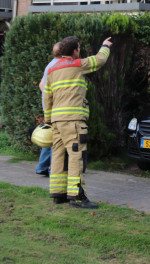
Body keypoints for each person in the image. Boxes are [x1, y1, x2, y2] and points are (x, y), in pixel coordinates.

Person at [44, 35, 112, 209]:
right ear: (75, 52)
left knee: (58, 156)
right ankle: (78, 197)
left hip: (57, 122)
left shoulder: (52, 70)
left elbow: (47, 96)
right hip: (73, 121)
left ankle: (58, 194)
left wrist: (48, 119)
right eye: (79, 49)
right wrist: (105, 46)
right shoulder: (78, 65)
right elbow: (100, 60)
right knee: (76, 157)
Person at [35, 43, 62, 176]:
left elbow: (42, 85)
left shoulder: (50, 65)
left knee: (50, 136)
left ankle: (42, 166)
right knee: (56, 138)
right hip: (56, 108)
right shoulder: (60, 66)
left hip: (49, 106)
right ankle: (52, 168)